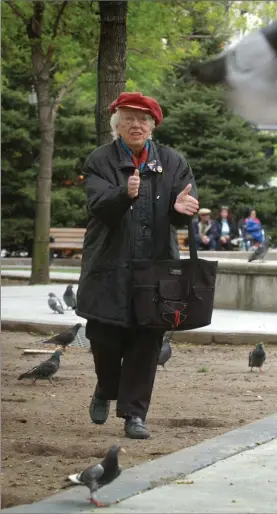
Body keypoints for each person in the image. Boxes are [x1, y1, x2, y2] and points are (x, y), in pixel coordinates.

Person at [76, 92, 199, 439]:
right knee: (102, 337)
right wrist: (123, 194)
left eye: (143, 119)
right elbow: (98, 205)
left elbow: (182, 203)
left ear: (153, 126)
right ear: (117, 124)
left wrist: (181, 206)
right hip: (109, 265)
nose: (136, 124)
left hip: (155, 270)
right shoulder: (100, 160)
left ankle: (134, 415)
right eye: (129, 118)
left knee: (147, 342)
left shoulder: (173, 162)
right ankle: (105, 388)